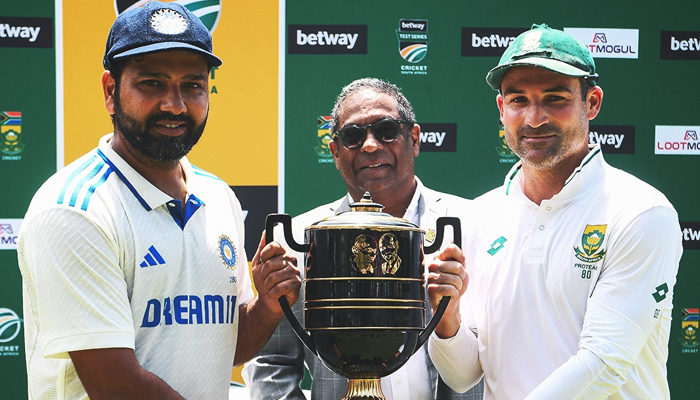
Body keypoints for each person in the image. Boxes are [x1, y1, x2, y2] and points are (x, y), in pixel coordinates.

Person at [17, 2, 300, 399]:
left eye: (192, 85)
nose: (175, 104)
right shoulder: (75, 209)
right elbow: (116, 386)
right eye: (152, 83)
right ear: (111, 91)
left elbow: (224, 348)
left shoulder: (218, 196)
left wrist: (267, 308)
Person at [426, 24, 683, 399]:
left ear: (592, 103)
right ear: (501, 109)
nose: (534, 118)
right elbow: (464, 376)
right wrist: (447, 319)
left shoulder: (641, 212)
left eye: (555, 98)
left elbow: (604, 365)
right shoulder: (481, 215)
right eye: (517, 100)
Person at [242, 78, 483, 400]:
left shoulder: (472, 226)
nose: (370, 145)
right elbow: (271, 362)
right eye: (353, 136)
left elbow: (499, 350)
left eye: (386, 130)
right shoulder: (301, 239)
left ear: (413, 139)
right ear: (335, 152)